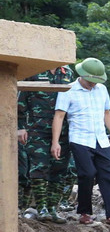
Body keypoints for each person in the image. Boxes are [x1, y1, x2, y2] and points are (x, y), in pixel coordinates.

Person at [51, 57, 110, 228]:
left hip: (101, 139)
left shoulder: (102, 89)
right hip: (80, 138)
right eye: (91, 81)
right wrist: (55, 142)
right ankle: (84, 212)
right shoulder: (68, 90)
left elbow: (107, 114)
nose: (93, 84)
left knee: (107, 173)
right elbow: (59, 116)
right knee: (87, 173)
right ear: (82, 75)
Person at [18, 65, 74, 222]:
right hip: (37, 128)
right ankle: (41, 207)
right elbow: (21, 99)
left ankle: (52, 208)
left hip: (63, 130)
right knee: (39, 167)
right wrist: (21, 127)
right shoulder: (34, 70)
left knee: (60, 168)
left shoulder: (67, 73)